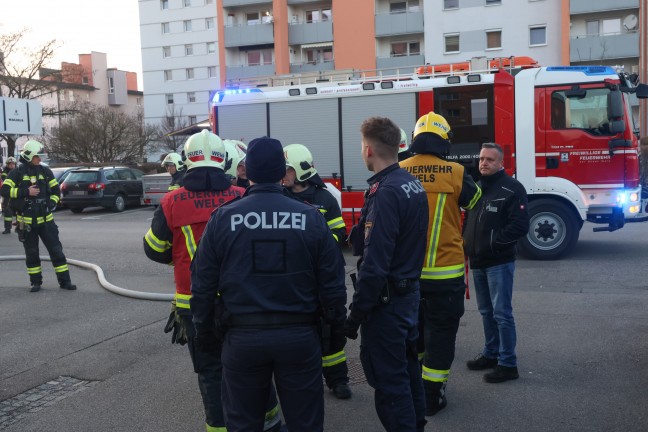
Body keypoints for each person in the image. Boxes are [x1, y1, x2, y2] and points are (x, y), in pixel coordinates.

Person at [190, 136, 347, 432]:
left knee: (243, 423)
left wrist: (205, 333)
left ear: (246, 170)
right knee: (306, 424)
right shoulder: (311, 217)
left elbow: (203, 284)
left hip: (242, 339)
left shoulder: (223, 218)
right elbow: (333, 282)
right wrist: (336, 330)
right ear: (281, 172)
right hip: (299, 337)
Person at [144, 131, 283, 432]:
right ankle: (271, 424)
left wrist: (178, 256)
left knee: (210, 372)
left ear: (185, 160)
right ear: (225, 160)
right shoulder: (239, 196)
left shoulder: (170, 202)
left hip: (193, 303)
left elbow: (154, 250)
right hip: (242, 301)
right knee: (254, 368)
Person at [344, 117, 428, 432]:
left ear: (368, 149)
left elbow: (376, 264)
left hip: (387, 306)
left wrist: (354, 317)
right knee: (407, 372)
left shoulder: (385, 191)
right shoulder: (410, 183)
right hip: (408, 297)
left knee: (389, 383)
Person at [399, 112, 482, 415]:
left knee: (414, 331)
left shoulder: (399, 170)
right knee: (442, 334)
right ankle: (432, 397)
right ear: (445, 141)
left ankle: (414, 385)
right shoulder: (457, 172)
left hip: (407, 275)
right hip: (446, 275)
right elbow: (474, 202)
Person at [282, 143, 351, 400]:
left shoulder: (324, 198)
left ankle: (338, 379)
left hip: (326, 275)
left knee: (332, 327)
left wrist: (314, 245)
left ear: (300, 170)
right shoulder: (281, 197)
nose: (283, 174)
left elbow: (340, 234)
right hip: (297, 277)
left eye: (287, 169)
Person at [463, 142, 529, 383]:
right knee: (486, 312)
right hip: (478, 261)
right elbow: (469, 221)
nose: (484, 163)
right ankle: (491, 354)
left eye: (490, 159)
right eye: (481, 159)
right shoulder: (477, 188)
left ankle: (508, 364)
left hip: (498, 262)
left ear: (501, 163)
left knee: (502, 314)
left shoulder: (512, 189)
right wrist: (466, 244)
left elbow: (520, 225)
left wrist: (492, 245)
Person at [0, 140, 76, 292]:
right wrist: (25, 192)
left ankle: (65, 282)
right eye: (37, 156)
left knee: (56, 251)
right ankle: (36, 283)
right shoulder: (16, 173)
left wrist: (52, 203)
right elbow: (5, 191)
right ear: (28, 156)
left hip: (46, 221)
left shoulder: (45, 171)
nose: (39, 159)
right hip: (26, 223)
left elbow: (56, 190)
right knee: (32, 253)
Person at [1, 156, 18, 234]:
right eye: (10, 164)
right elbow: (5, 183)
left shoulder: (19, 171)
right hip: (8, 195)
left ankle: (19, 227)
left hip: (18, 194)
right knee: (8, 212)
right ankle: (8, 228)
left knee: (20, 211)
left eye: (13, 164)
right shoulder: (5, 173)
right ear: (7, 165)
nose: (11, 165)